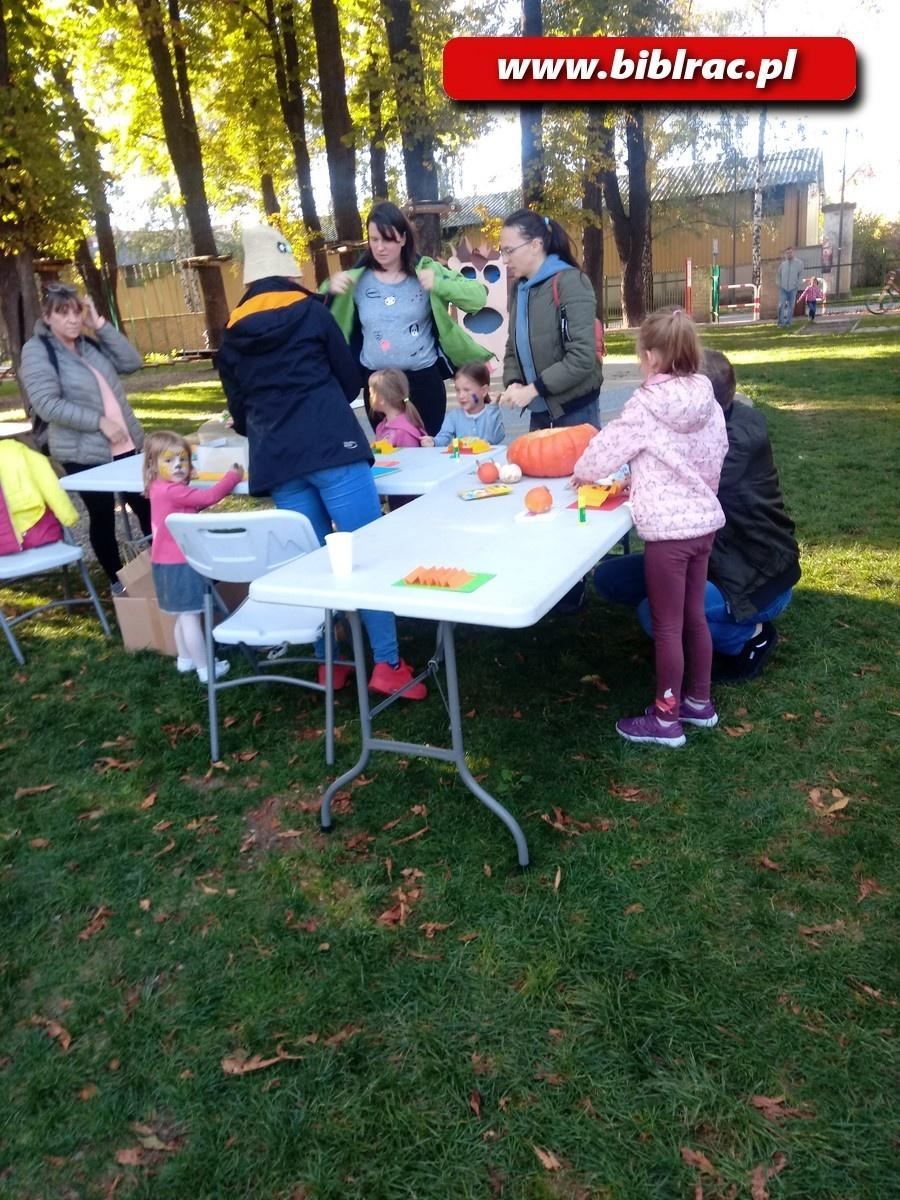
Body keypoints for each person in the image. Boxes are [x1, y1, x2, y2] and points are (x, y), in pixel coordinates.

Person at [216, 223, 426, 700]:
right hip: (333, 447)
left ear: (250, 278)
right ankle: (388, 665)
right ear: (288, 270)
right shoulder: (311, 311)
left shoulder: (231, 332)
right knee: (365, 555)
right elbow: (350, 376)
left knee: (309, 563)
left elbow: (240, 410)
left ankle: (328, 664)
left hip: (279, 459)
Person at [594, 349, 800, 684]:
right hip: (714, 559)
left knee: (655, 615)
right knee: (609, 579)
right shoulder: (709, 424)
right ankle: (694, 627)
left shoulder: (732, 444)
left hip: (755, 578)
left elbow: (675, 488)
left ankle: (751, 636)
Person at [572, 309, 728, 748]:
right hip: (703, 526)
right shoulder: (709, 399)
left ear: (654, 357)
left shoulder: (645, 404)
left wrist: (583, 470)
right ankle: (699, 701)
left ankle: (665, 718)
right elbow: (719, 452)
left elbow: (608, 447)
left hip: (668, 536)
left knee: (667, 627)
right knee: (694, 616)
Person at [18, 282, 151, 588]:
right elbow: (47, 404)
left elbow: (132, 362)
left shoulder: (87, 343)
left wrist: (100, 325)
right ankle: (122, 585)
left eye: (76, 312)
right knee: (103, 516)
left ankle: (165, 572)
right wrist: (99, 422)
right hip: (84, 451)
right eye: (63, 313)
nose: (72, 320)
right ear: (47, 316)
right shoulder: (37, 351)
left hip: (127, 445)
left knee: (147, 507)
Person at [324, 201, 493, 437]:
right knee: (394, 461)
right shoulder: (355, 280)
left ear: (403, 238)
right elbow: (319, 314)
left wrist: (440, 284)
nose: (380, 247)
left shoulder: (427, 270)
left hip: (423, 383)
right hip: (379, 387)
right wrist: (329, 290)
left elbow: (477, 298)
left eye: (388, 239)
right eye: (374, 240)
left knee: (427, 455)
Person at [143, 430, 243, 683]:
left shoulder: (159, 488)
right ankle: (205, 668)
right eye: (169, 460)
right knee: (191, 617)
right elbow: (208, 496)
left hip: (164, 563)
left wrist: (187, 480)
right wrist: (233, 476)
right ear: (153, 466)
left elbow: (193, 503)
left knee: (182, 614)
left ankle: (185, 660)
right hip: (181, 562)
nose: (177, 465)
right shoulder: (174, 492)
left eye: (183, 460)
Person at [497, 209, 603, 431]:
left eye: (509, 251)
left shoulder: (571, 282)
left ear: (535, 245)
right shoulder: (520, 288)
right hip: (540, 412)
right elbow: (512, 347)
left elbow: (582, 357)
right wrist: (514, 382)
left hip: (575, 413)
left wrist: (533, 389)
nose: (505, 260)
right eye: (502, 252)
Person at [421, 362, 505, 448]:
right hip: (463, 460)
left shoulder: (491, 413)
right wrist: (433, 442)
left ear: (483, 391)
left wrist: (493, 409)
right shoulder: (454, 416)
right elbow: (444, 437)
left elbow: (496, 438)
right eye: (458, 390)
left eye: (467, 390)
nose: (461, 396)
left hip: (487, 459)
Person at [369, 368, 427, 448]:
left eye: (371, 393)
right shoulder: (383, 425)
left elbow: (411, 458)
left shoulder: (403, 432)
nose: (370, 397)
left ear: (381, 399)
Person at [776, 247, 805, 327]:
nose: (789, 254)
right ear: (786, 254)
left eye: (790, 253)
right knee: (781, 305)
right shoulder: (783, 264)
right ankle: (781, 323)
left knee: (791, 306)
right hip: (783, 288)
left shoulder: (799, 263)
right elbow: (778, 275)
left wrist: (797, 285)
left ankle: (788, 322)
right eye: (787, 253)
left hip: (793, 289)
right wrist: (779, 284)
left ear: (793, 253)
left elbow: (800, 275)